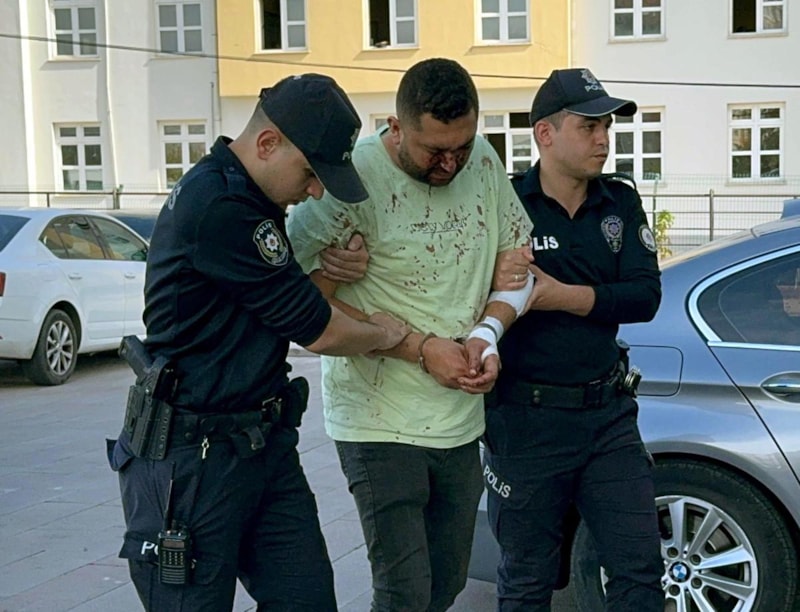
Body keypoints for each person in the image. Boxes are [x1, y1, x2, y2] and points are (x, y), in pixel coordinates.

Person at [107, 73, 411, 612]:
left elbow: (266, 309)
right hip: (194, 462)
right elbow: (318, 330)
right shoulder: (222, 204)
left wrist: (328, 276)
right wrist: (386, 332)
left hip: (259, 446)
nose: (315, 191)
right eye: (311, 173)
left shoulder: (249, 195)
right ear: (268, 143)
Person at [286, 58, 533, 611]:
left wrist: (488, 334)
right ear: (395, 128)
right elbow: (294, 303)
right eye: (434, 151)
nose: (450, 164)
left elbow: (517, 267)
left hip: (460, 421)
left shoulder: (483, 160)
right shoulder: (349, 178)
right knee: (404, 593)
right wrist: (418, 349)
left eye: (461, 147)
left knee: (446, 584)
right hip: (376, 420)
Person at [481, 68, 665, 611]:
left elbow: (644, 297)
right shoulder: (506, 203)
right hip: (526, 424)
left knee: (639, 572)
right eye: (589, 127)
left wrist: (561, 295)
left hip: (607, 419)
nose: (603, 139)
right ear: (545, 133)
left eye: (607, 127)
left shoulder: (619, 202)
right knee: (526, 581)